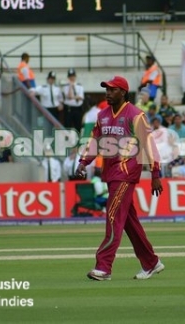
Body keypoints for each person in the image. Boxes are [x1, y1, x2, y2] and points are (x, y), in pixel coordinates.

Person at [75, 75, 164, 281]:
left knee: (113, 216)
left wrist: (155, 174)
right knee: (128, 221)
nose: (108, 92)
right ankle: (151, 262)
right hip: (111, 173)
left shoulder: (135, 115)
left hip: (126, 173)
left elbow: (148, 146)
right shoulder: (102, 115)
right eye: (106, 89)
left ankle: (104, 267)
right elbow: (95, 141)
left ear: (123, 92)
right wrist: (83, 162)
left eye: (112, 89)